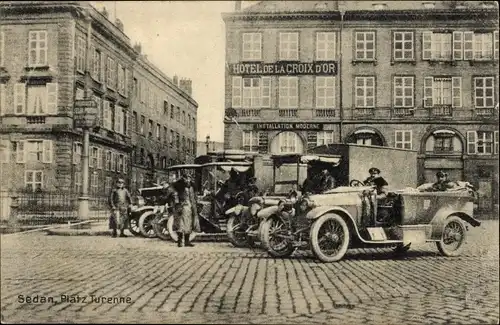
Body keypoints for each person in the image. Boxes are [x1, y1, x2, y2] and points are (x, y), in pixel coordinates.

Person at [171, 172, 201, 247]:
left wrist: (194, 205)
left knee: (189, 224)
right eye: (187, 178)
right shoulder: (178, 186)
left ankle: (187, 241)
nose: (188, 180)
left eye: (189, 178)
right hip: (181, 207)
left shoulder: (191, 186)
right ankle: (180, 241)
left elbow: (193, 197)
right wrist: (178, 205)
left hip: (189, 207)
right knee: (180, 224)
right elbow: (175, 196)